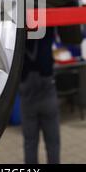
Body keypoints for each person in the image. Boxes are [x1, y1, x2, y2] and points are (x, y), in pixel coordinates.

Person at [20, 28, 60, 164]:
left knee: (30, 143)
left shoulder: (17, 36)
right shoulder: (46, 32)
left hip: (27, 93)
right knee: (53, 142)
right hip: (47, 91)